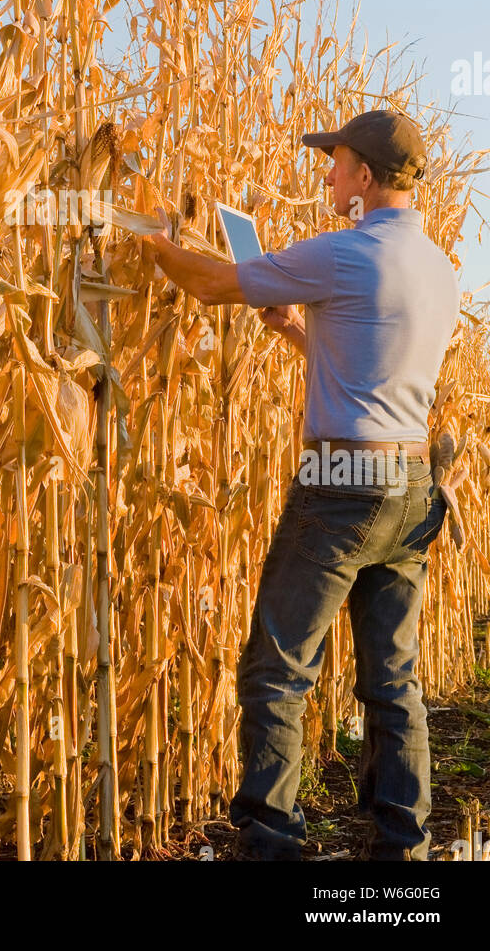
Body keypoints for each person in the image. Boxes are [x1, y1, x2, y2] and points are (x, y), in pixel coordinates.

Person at [142, 110, 460, 861]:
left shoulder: (348, 251)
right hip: (411, 485)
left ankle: (273, 845)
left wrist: (152, 243)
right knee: (393, 680)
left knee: (278, 669)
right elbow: (369, 363)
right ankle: (401, 852)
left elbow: (217, 283)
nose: (328, 175)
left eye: (337, 162)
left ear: (366, 179)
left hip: (340, 486)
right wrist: (293, 330)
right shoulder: (437, 266)